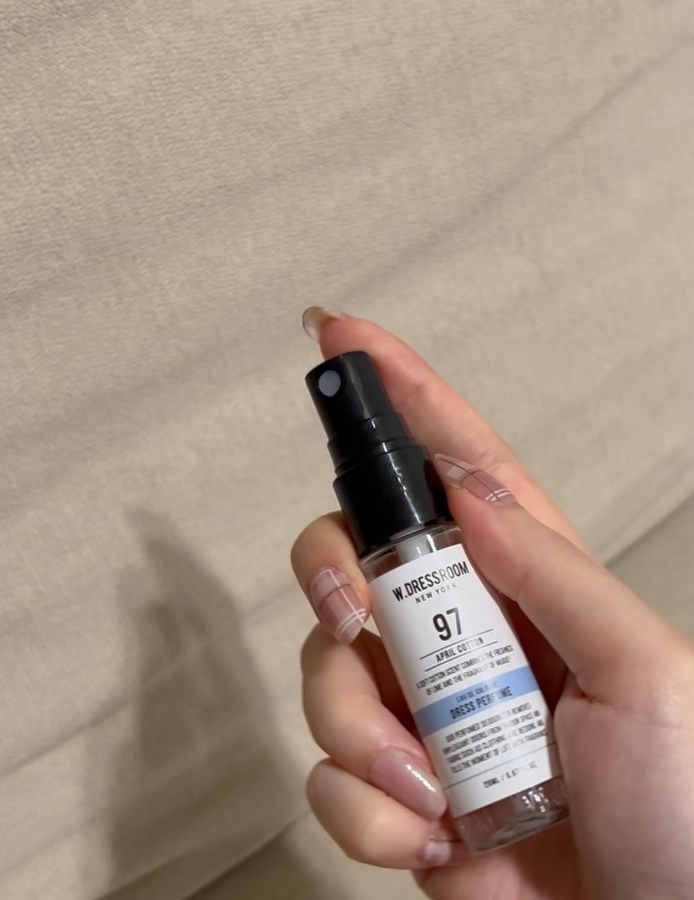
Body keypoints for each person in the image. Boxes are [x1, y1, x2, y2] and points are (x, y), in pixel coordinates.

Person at [291, 307, 694, 900]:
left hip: (561, 778)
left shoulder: (463, 535)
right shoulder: (383, 563)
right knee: (342, 652)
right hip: (508, 822)